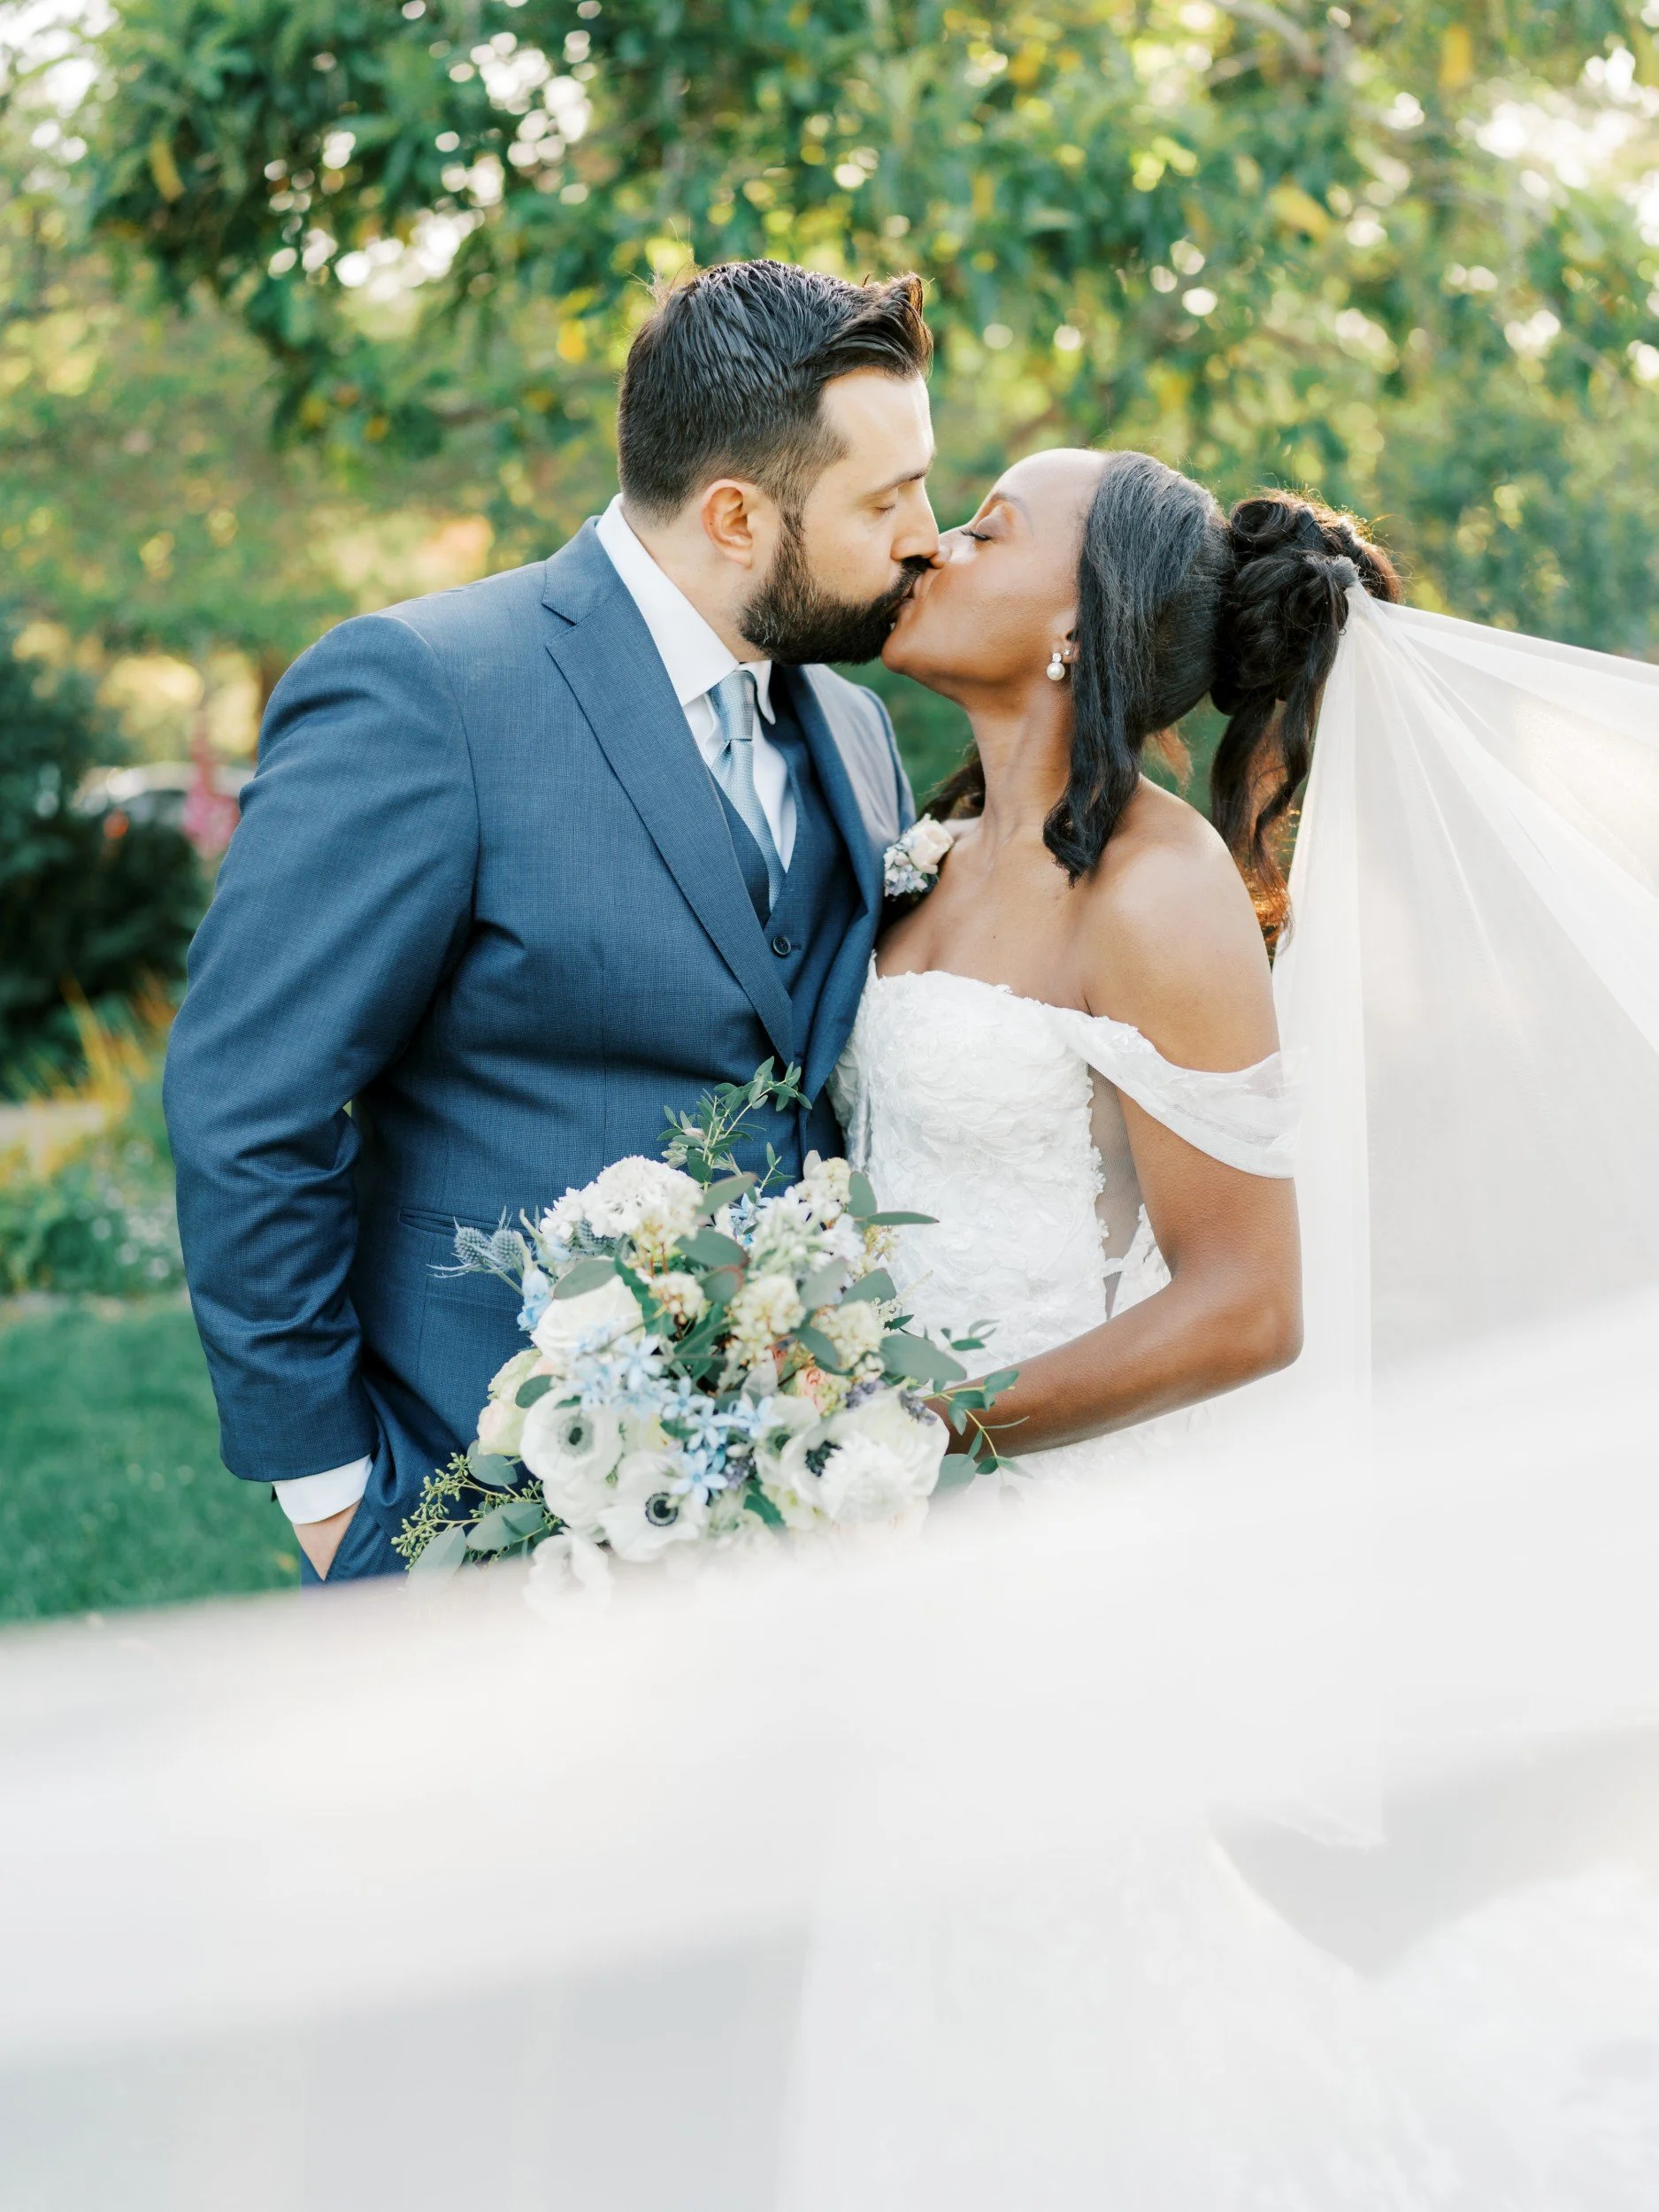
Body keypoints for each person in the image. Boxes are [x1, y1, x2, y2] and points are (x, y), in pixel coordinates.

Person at [164, 259, 940, 1584]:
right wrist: (335, 1496)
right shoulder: (428, 691)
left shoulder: (855, 729)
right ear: (736, 515)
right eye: (885, 498)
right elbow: (247, 1101)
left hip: (786, 1515)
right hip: (471, 1502)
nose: (926, 533)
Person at [832, 446, 1398, 1473]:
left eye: (985, 531)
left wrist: (920, 1430)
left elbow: (1251, 1307)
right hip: (863, 1492)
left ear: (1079, 628)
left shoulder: (1158, 889)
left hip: (1041, 1497)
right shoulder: (931, 849)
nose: (931, 545)